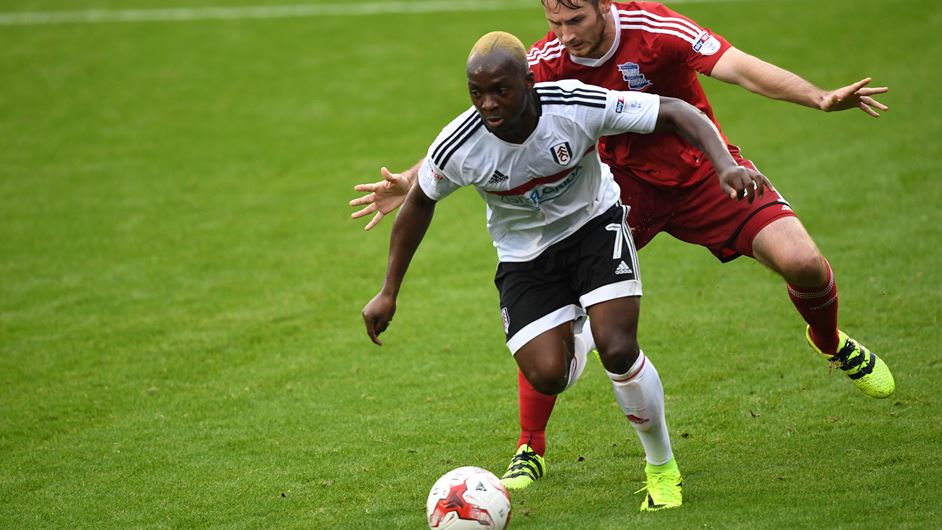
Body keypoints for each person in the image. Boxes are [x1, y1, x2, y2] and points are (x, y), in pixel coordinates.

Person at [351, 0, 895, 496]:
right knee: (558, 314)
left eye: (576, 20)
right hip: (625, 188)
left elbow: (739, 67)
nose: (565, 35)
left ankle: (828, 341)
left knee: (802, 263)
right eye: (554, 23)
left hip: (702, 174)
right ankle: (530, 446)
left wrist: (817, 97)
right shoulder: (540, 64)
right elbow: (480, 127)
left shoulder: (655, 29)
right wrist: (410, 180)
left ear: (604, 6)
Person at [362, 30, 768, 511]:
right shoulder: (460, 145)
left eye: (500, 90)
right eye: (477, 92)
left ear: (528, 81)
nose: (488, 104)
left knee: (620, 348)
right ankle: (588, 329)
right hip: (525, 258)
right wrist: (389, 290)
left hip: (594, 227)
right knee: (548, 375)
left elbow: (678, 111)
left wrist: (723, 165)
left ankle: (661, 467)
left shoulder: (574, 105)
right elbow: (418, 203)